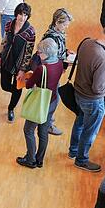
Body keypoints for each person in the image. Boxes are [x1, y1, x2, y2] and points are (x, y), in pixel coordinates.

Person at [69, 24, 105, 173]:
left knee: (80, 122)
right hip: (92, 100)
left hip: (79, 93)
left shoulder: (86, 42)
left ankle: (73, 150)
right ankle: (81, 160)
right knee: (90, 130)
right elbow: (98, 88)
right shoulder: (102, 57)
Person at [16, 38, 64, 169]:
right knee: (43, 132)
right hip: (52, 100)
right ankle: (39, 159)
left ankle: (30, 160)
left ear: (47, 53)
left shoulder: (42, 69)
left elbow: (29, 85)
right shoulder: (59, 63)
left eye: (40, 52)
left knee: (28, 130)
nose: (38, 53)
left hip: (40, 104)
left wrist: (29, 77)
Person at [0, 2, 35, 123]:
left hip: (20, 64)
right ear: (16, 14)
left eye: (25, 15)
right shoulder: (9, 25)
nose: (23, 17)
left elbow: (29, 52)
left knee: (17, 88)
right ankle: (16, 93)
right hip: (7, 59)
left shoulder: (30, 31)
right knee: (4, 85)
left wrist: (23, 70)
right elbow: (5, 41)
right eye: (21, 14)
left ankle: (11, 108)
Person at [40, 8, 74, 136]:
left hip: (54, 72)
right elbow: (50, 58)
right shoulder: (52, 38)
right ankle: (47, 125)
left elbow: (58, 51)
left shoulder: (56, 34)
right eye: (64, 24)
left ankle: (48, 121)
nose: (66, 27)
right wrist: (65, 62)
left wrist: (66, 52)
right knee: (53, 100)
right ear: (56, 22)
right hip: (51, 75)